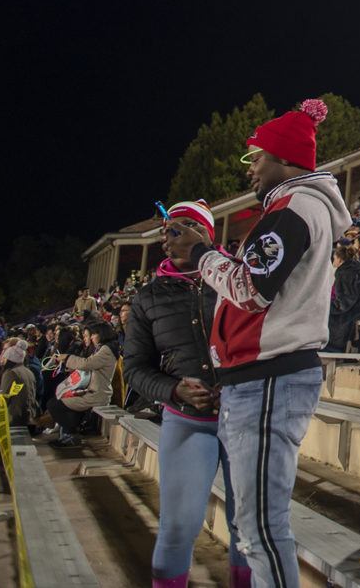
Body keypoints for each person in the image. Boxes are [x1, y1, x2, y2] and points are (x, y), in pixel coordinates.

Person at [162, 99, 350, 588]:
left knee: (261, 527)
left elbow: (250, 289)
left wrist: (202, 253)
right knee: (253, 526)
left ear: (284, 157)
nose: (249, 168)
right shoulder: (294, 207)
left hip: (272, 378)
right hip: (261, 379)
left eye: (256, 157)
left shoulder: (296, 206)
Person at [124, 201, 247, 588]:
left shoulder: (238, 278)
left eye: (179, 227)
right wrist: (173, 389)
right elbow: (135, 369)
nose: (167, 236)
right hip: (187, 421)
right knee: (178, 527)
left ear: (204, 234)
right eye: (165, 229)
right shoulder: (148, 297)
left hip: (244, 416)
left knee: (247, 530)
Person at [33, 321, 116, 445]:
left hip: (96, 394)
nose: (91, 337)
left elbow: (86, 363)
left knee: (54, 404)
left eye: (93, 334)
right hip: (91, 391)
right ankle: (68, 435)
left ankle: (71, 434)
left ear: (101, 334)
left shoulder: (106, 350)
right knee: (63, 401)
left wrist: (66, 358)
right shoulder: (103, 348)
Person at [328, 243, 360, 353]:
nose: (333, 262)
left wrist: (326, 306)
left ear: (339, 259)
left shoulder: (345, 272)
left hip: (358, 312)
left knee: (324, 314)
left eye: (334, 259)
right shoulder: (356, 269)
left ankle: (332, 349)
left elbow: (344, 303)